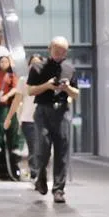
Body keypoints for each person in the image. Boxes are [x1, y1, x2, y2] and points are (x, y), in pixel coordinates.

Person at [27, 37, 79, 204]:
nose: (60, 54)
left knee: (62, 151)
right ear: (50, 49)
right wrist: (47, 86)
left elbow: (76, 94)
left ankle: (59, 189)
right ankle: (40, 177)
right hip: (42, 110)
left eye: (63, 51)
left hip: (62, 111)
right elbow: (30, 91)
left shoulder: (70, 69)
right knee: (42, 148)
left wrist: (67, 88)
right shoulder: (37, 67)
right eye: (57, 51)